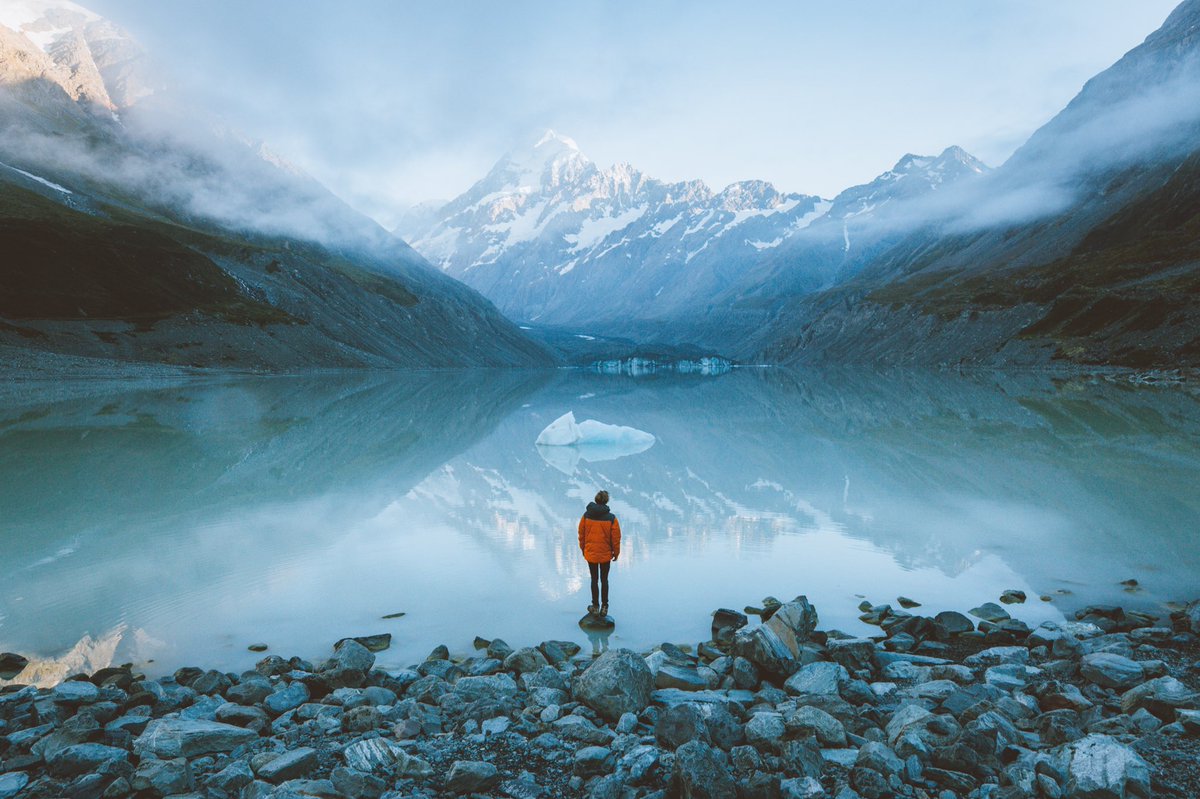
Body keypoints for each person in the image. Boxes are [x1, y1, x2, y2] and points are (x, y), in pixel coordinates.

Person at [578, 489, 621, 617]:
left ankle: (595, 606)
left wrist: (584, 549)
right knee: (604, 580)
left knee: (594, 580)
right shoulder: (611, 518)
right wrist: (616, 553)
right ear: (606, 501)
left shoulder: (586, 516)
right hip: (605, 555)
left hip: (591, 554)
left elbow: (581, 535)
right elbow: (616, 538)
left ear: (596, 500)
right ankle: (605, 607)